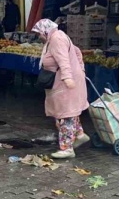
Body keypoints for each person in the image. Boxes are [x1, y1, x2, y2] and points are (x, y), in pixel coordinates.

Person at [32, 19, 89, 159]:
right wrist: (80, 68)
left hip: (65, 83)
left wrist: (68, 78)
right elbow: (77, 52)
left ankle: (67, 148)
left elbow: (63, 60)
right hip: (65, 80)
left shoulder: (57, 39)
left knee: (66, 115)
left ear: (45, 31)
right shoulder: (57, 37)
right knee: (70, 111)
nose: (38, 37)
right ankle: (79, 135)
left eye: (39, 33)